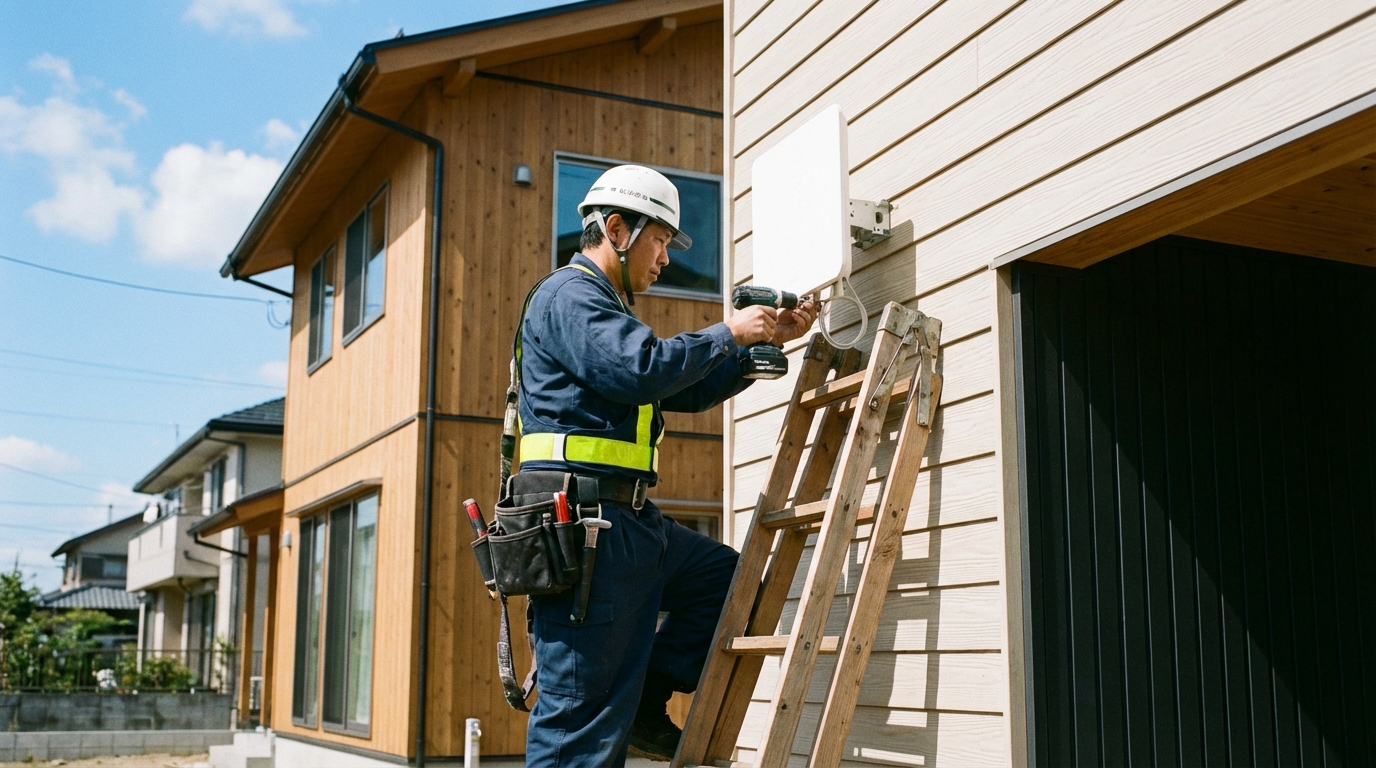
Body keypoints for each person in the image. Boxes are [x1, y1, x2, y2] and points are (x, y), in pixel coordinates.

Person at [513, 165, 817, 765]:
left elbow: (675, 390)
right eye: (659, 241)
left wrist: (760, 347)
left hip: (622, 525)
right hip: (582, 526)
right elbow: (644, 368)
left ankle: (648, 704)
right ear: (618, 230)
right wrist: (728, 332)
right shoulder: (570, 296)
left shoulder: (605, 308)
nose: (665, 260)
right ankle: (634, 710)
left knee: (727, 580)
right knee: (581, 718)